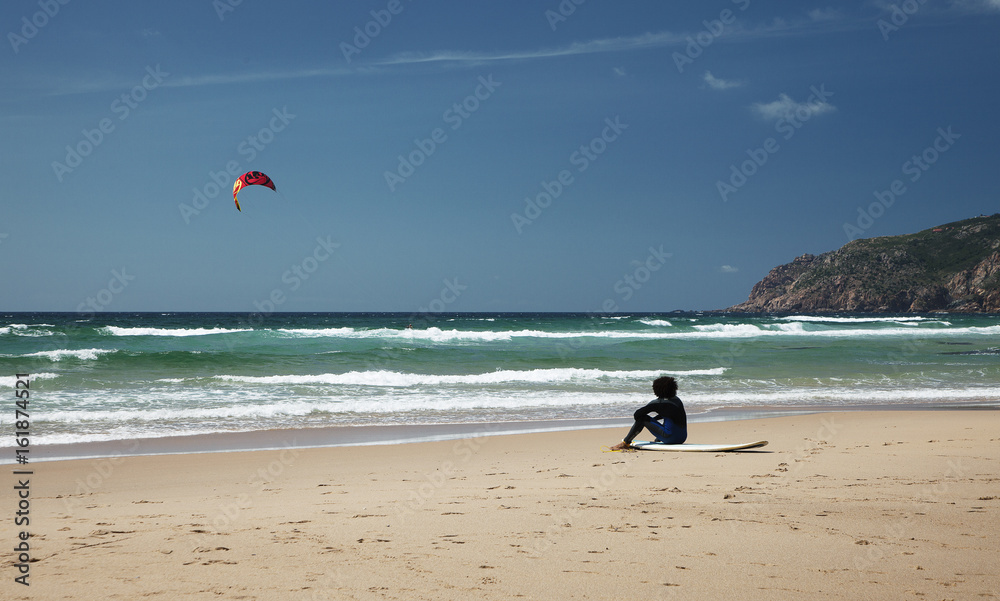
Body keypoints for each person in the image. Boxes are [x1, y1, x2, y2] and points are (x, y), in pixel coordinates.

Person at [609, 376, 687, 450]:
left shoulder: (657, 403)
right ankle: (658, 440)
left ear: (657, 390)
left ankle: (625, 443)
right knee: (668, 420)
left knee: (643, 419)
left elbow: (637, 415)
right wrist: (655, 419)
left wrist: (649, 420)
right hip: (682, 438)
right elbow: (672, 415)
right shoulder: (677, 400)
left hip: (670, 438)